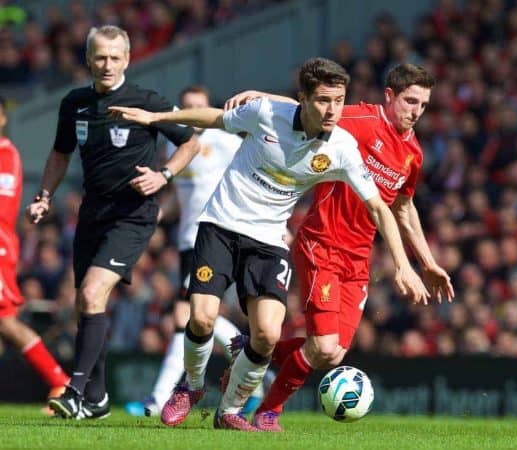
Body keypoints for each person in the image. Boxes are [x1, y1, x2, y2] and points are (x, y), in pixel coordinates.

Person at [110, 57, 430, 431]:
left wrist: (406, 264)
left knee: (267, 335)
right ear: (304, 100)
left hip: (268, 239)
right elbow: (213, 118)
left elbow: (380, 206)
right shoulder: (266, 114)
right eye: (324, 101)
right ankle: (192, 386)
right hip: (222, 224)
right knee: (201, 316)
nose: (332, 111)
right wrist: (156, 119)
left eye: (339, 101)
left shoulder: (342, 147)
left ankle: (229, 412)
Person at [223, 63, 455, 431]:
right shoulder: (360, 119)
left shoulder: (413, 153)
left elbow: (404, 208)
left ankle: (249, 352)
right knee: (324, 346)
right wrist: (262, 97)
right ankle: (268, 412)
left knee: (333, 354)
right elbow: (310, 110)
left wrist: (426, 262)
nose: (416, 111)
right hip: (322, 243)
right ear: (390, 95)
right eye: (410, 101)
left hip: (359, 259)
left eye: (424, 105)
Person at [26, 25, 198, 420]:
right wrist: (44, 197)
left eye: (114, 57)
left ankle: (74, 391)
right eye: (99, 57)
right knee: (88, 304)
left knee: (91, 293)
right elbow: (59, 153)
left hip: (133, 215)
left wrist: (164, 175)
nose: (107, 65)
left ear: (127, 58)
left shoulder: (145, 101)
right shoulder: (75, 103)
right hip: (93, 213)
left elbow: (190, 142)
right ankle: (98, 398)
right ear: (88, 60)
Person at [127, 85, 261, 417]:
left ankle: (159, 398)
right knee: (195, 318)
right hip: (188, 241)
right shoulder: (178, 148)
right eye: (187, 105)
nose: (192, 111)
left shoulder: (227, 142)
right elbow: (179, 196)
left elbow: (252, 179)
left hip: (214, 238)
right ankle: (255, 370)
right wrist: (156, 217)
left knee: (183, 317)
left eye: (198, 106)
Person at [0, 96, 70, 415]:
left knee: (7, 324)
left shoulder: (6, 155)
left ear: (3, 119)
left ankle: (61, 382)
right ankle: (59, 381)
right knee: (5, 324)